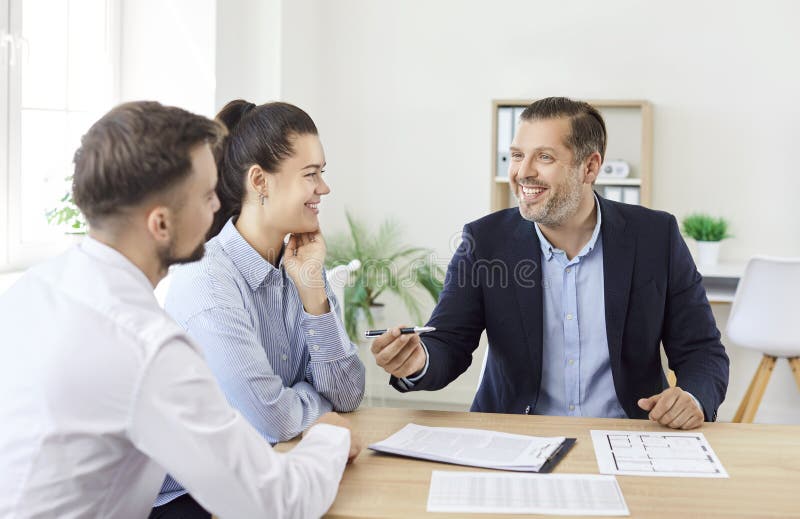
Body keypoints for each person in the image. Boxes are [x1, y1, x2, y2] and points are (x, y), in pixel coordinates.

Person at [0, 101, 363, 518]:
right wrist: (330, 436)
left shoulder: (35, 288)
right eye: (207, 196)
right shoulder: (147, 346)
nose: (218, 207)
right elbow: (275, 504)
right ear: (160, 224)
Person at [371, 97, 729, 430]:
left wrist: (694, 397)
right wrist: (418, 362)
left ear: (589, 167)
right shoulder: (485, 242)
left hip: (627, 432)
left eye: (544, 157)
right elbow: (449, 342)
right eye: (516, 156)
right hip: (515, 435)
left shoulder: (656, 236)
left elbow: (702, 351)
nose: (522, 172)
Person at [151, 100, 365, 516]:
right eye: (311, 174)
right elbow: (271, 417)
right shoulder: (208, 279)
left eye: (323, 173)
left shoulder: (299, 265)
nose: (324, 188)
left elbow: (347, 394)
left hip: (259, 470)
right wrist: (310, 405)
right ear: (260, 181)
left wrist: (313, 294)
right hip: (187, 498)